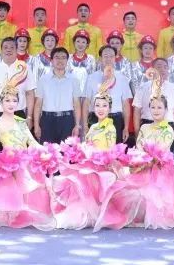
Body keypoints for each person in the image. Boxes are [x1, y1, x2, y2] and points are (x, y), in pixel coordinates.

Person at [95, 72, 174, 231]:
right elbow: (139, 148)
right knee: (128, 190)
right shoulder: (144, 127)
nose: (156, 110)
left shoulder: (168, 129)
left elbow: (161, 152)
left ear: (166, 109)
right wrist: (139, 162)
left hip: (161, 169)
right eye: (153, 107)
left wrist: (148, 160)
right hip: (142, 167)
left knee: (159, 195)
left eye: (159, 107)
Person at [0, 70, 51, 230]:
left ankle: (25, 214)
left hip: (25, 162)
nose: (11, 103)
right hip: (9, 165)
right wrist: (0, 161)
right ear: (1, 103)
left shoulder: (21, 122)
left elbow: (31, 141)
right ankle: (11, 213)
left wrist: (46, 150)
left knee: (33, 185)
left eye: (14, 100)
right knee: (9, 192)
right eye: (7, 100)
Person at [53, 85, 121, 230]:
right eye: (97, 105)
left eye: (104, 105)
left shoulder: (110, 127)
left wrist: (99, 157)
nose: (100, 109)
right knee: (80, 185)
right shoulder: (93, 127)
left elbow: (110, 149)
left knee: (94, 187)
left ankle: (97, 215)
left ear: (109, 108)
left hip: (102, 165)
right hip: (89, 164)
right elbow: (87, 145)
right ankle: (84, 216)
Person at [0, 38, 38, 139]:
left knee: (18, 147)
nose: (8, 50)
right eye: (5, 47)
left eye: (12, 47)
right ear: (1, 50)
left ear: (16, 50)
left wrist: (29, 117)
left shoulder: (25, 68)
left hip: (18, 115)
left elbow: (30, 94)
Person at [33, 47, 80, 143]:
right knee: (47, 151)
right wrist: (36, 125)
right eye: (57, 57)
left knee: (67, 150)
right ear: (51, 60)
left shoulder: (74, 79)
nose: (60, 60)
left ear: (67, 61)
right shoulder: (43, 79)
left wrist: (77, 125)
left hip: (67, 120)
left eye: (63, 57)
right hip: (47, 120)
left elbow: (77, 103)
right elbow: (38, 104)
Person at [132, 58, 174, 143]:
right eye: (159, 67)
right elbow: (137, 111)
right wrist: (137, 131)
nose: (162, 70)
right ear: (152, 70)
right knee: (145, 151)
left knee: (166, 152)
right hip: (147, 126)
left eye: (165, 67)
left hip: (167, 128)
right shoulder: (143, 87)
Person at [81, 58, 133, 143]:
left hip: (116, 119)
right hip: (95, 118)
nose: (108, 58)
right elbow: (86, 102)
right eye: (105, 55)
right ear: (100, 59)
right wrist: (85, 125)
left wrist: (126, 127)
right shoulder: (91, 77)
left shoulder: (122, 78)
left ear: (115, 59)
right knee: (95, 146)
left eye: (111, 56)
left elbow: (125, 104)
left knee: (115, 147)